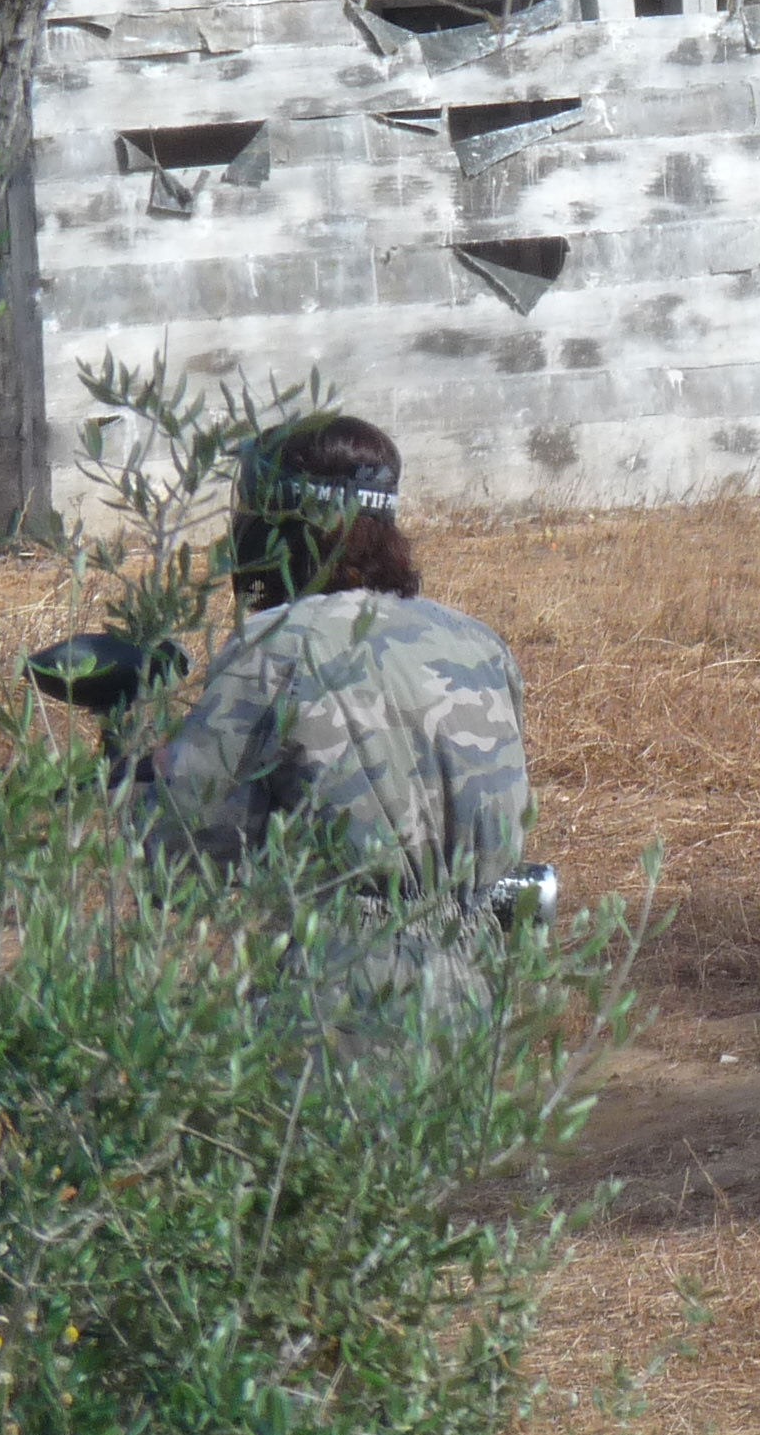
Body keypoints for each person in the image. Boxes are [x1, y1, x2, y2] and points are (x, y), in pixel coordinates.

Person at [137, 412, 534, 1008]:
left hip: (341, 991)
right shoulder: (478, 644)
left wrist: (147, 781)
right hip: (480, 986)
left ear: (279, 528)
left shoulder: (275, 648)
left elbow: (185, 854)